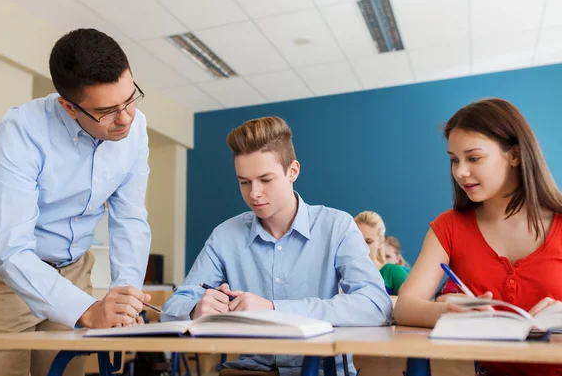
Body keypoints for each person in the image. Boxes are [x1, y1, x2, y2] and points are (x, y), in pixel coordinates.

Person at [0, 28, 153, 376]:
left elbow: (130, 219)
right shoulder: (20, 132)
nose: (125, 118)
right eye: (107, 111)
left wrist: (125, 294)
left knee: (64, 371)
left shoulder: (135, 129)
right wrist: (88, 310)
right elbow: (10, 250)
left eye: (130, 99)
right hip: (1, 273)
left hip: (72, 268)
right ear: (68, 106)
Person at [162, 116, 391, 376]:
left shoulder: (337, 226)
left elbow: (376, 306)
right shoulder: (225, 236)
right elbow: (171, 309)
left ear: (292, 171)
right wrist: (195, 310)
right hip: (250, 372)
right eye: (244, 182)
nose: (254, 193)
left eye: (265, 180)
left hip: (322, 370)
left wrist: (274, 309)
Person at [394, 98, 562, 376]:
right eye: (454, 160)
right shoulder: (449, 227)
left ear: (515, 155)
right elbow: (406, 306)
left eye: (474, 158)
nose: (460, 172)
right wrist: (450, 312)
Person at [354, 212, 408, 298]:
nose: (362, 246)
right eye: (357, 239)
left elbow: (410, 303)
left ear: (380, 243)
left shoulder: (392, 272)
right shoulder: (342, 275)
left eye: (368, 242)